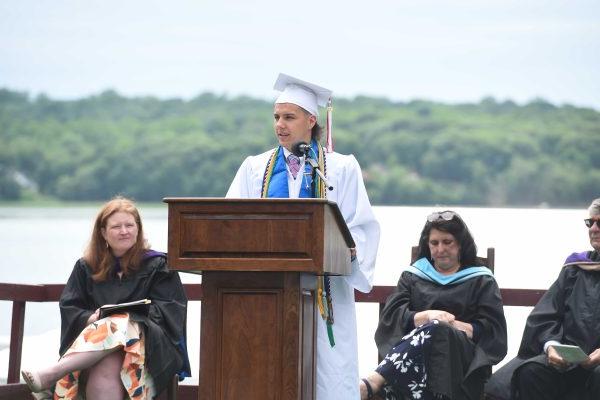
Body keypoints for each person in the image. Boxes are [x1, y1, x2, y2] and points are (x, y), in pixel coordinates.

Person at [226, 73, 380, 399]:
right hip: (270, 295)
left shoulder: (339, 169)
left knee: (329, 377)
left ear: (311, 120)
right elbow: (232, 223)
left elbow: (361, 228)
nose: (280, 125)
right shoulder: (256, 168)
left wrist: (349, 249)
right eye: (276, 117)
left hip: (326, 294)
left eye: (289, 117)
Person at [21, 197, 190, 399]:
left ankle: (55, 372)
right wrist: (90, 319)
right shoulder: (86, 267)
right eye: (116, 226)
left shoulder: (158, 265)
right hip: (96, 353)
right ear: (103, 232)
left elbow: (170, 311)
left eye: (129, 225)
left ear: (138, 229)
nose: (124, 231)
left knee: (121, 320)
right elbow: (70, 307)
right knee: (107, 362)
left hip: (152, 349)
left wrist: (126, 317)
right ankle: (62, 369)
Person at [360, 211, 507, 400]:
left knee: (439, 329)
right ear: (427, 246)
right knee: (435, 327)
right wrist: (427, 316)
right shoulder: (413, 276)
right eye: (434, 243)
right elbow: (391, 318)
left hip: (462, 364)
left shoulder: (481, 280)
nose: (440, 249)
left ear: (461, 244)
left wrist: (451, 326)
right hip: (416, 362)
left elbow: (493, 331)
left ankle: (375, 381)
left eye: (447, 242)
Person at [484, 198, 600, 400]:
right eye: (590, 223)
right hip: (568, 363)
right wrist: (552, 346)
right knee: (533, 371)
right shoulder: (575, 268)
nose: (594, 229)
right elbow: (545, 316)